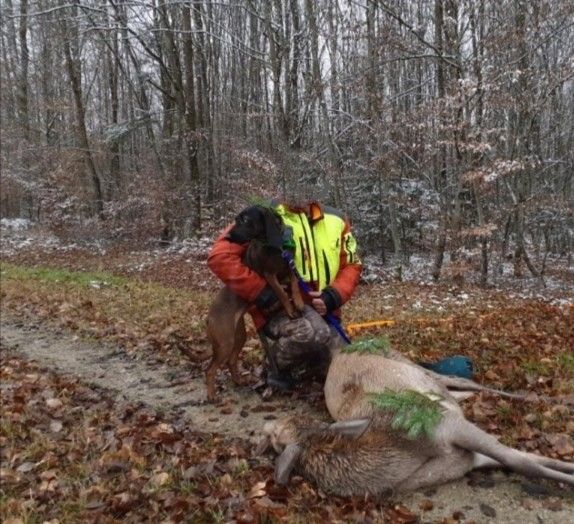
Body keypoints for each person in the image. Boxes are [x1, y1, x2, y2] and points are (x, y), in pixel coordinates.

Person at [208, 199, 362, 388]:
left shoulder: (336, 219)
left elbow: (352, 264)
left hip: (323, 311)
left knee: (345, 364)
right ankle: (274, 366)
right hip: (277, 308)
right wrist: (260, 291)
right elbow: (220, 257)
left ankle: (309, 363)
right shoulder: (263, 214)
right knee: (309, 334)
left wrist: (333, 296)